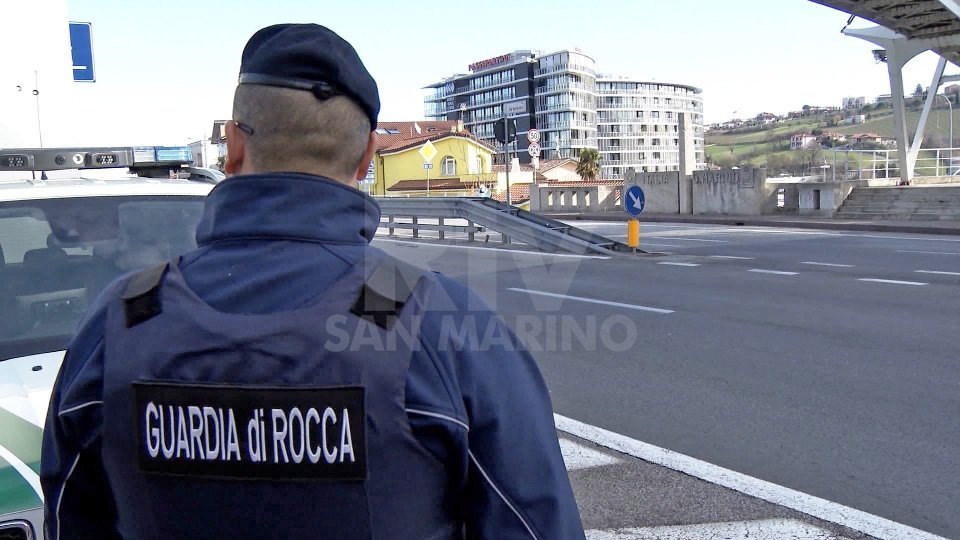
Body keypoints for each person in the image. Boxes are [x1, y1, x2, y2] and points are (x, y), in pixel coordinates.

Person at [41, 23, 585, 540]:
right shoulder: (442, 323)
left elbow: (71, 518)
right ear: (369, 156)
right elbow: (535, 522)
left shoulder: (121, 320)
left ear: (233, 146)